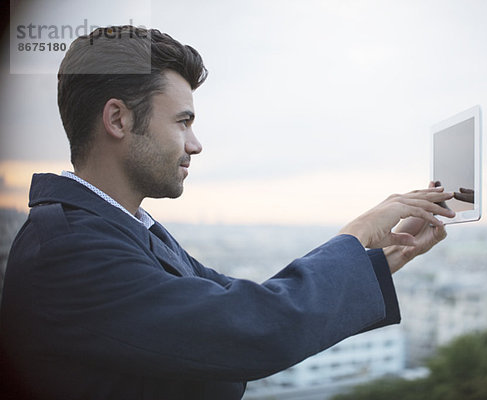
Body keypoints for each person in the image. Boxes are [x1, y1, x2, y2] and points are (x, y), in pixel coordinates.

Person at [0, 26, 455, 400]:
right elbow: (252, 332)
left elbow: (246, 306)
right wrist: (354, 237)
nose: (195, 144)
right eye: (183, 121)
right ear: (118, 120)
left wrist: (377, 257)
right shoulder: (69, 251)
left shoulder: (118, 229)